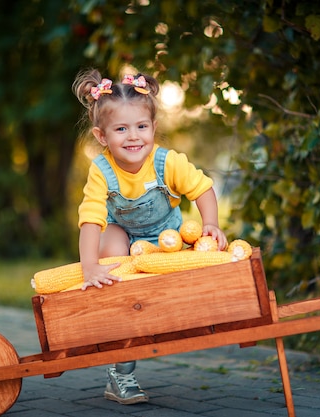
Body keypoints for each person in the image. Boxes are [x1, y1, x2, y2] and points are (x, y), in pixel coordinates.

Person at [72, 68, 228, 405]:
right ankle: (121, 370)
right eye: (121, 129)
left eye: (141, 127)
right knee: (112, 249)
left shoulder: (167, 162)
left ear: (154, 129)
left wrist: (211, 223)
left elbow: (202, 189)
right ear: (102, 136)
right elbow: (91, 220)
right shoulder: (101, 170)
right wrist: (89, 266)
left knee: (179, 266)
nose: (133, 137)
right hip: (121, 233)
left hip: (164, 236)